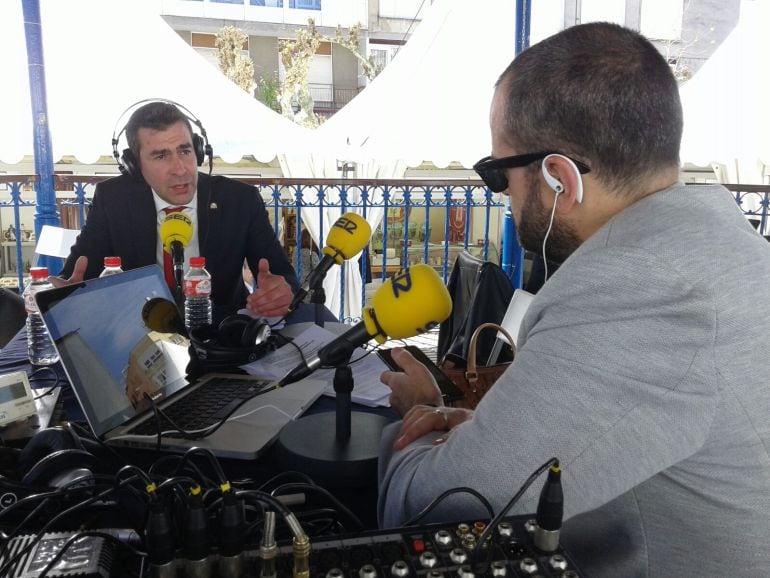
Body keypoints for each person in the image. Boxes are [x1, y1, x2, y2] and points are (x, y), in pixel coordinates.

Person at [378, 22, 770, 577]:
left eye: (498, 173)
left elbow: (443, 505)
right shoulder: (721, 244)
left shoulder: (633, 289)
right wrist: (479, 424)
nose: (504, 195)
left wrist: (413, 423)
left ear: (559, 177)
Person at [58, 101, 298, 322]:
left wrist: (281, 291)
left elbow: (283, 278)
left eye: (185, 151)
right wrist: (64, 294)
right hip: (142, 334)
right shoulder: (113, 199)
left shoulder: (239, 200)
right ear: (134, 165)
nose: (180, 169)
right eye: (161, 156)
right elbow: (73, 277)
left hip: (223, 333)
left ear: (199, 151)